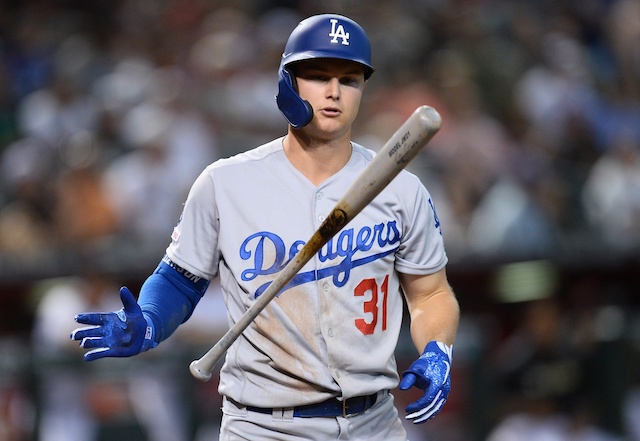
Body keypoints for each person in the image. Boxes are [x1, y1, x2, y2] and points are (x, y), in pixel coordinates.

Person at [71, 13, 460, 441]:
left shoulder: (402, 189)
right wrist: (149, 321)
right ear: (287, 83)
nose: (334, 92)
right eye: (317, 75)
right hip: (264, 425)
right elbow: (181, 280)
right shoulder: (226, 181)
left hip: (375, 423)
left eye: (349, 80)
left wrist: (437, 348)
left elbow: (431, 292)